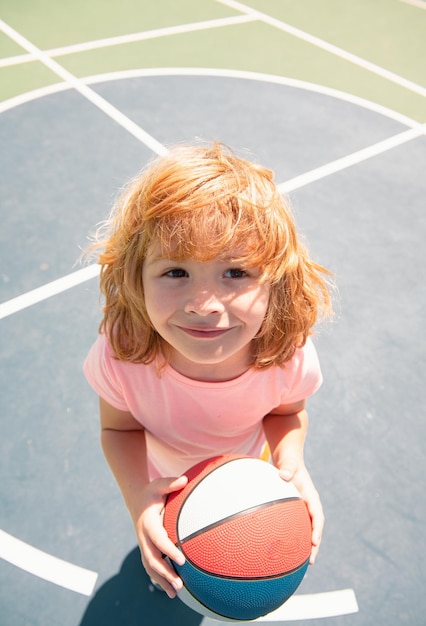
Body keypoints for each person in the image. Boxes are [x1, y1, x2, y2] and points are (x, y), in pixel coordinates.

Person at [83, 142, 333, 599]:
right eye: (175, 272)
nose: (204, 306)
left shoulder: (285, 355)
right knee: (171, 548)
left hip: (244, 472)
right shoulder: (124, 352)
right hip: (166, 480)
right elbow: (117, 431)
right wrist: (140, 500)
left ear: (276, 280)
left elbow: (286, 413)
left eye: (236, 273)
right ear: (135, 276)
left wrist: (291, 461)